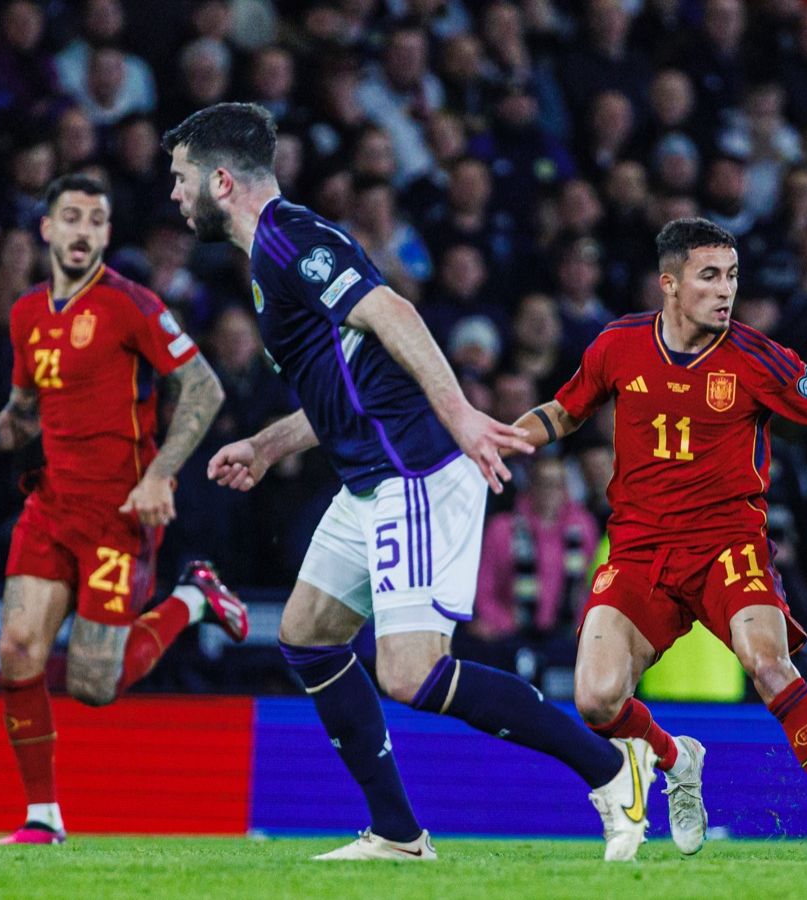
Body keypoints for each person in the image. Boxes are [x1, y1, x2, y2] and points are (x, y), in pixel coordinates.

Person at [163, 103, 652, 863]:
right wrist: (268, 442)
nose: (172, 194)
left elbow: (393, 310)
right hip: (367, 480)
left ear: (220, 181)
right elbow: (349, 386)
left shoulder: (291, 237)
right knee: (307, 638)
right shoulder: (268, 257)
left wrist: (459, 415)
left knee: (410, 674)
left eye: (180, 178)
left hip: (413, 474)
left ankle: (611, 765)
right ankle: (397, 833)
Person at [508, 217, 807, 862]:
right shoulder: (617, 346)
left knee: (770, 665)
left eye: (733, 276)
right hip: (639, 548)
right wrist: (502, 438)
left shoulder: (758, 357)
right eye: (710, 276)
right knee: (596, 699)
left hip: (727, 544)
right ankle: (675, 757)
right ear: (670, 284)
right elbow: (565, 411)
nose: (726, 291)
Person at [0, 173, 246, 846]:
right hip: (49, 508)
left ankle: (191, 597)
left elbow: (204, 388)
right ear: (47, 229)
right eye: (70, 218)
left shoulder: (132, 305)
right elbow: (20, 420)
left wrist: (160, 475)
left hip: (118, 517)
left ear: (104, 234)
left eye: (95, 221)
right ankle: (42, 816)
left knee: (97, 686)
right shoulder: (26, 314)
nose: (81, 232)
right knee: (18, 651)